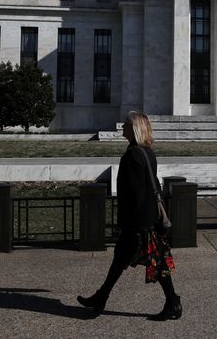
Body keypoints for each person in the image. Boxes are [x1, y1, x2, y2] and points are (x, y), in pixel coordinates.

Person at [77, 111, 181, 320]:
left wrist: (126, 223)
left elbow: (134, 194)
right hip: (145, 219)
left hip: (139, 223)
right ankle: (101, 297)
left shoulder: (133, 154)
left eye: (126, 124)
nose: (122, 127)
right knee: (126, 261)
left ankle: (173, 301)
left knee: (154, 262)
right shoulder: (147, 152)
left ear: (134, 129)